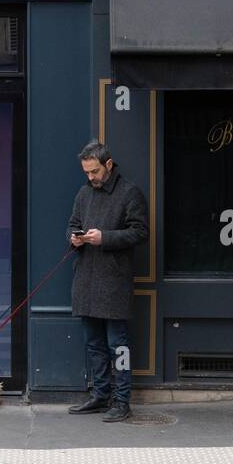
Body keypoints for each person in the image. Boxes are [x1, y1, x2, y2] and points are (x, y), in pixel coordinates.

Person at [66, 141, 149, 422]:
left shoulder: (130, 192)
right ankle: (101, 396)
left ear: (109, 165)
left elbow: (140, 232)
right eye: (87, 172)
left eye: (95, 171)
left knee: (118, 346)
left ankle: (122, 401)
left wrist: (106, 238)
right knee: (94, 345)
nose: (91, 177)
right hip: (86, 279)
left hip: (113, 282)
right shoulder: (83, 193)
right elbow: (72, 224)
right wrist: (74, 238)